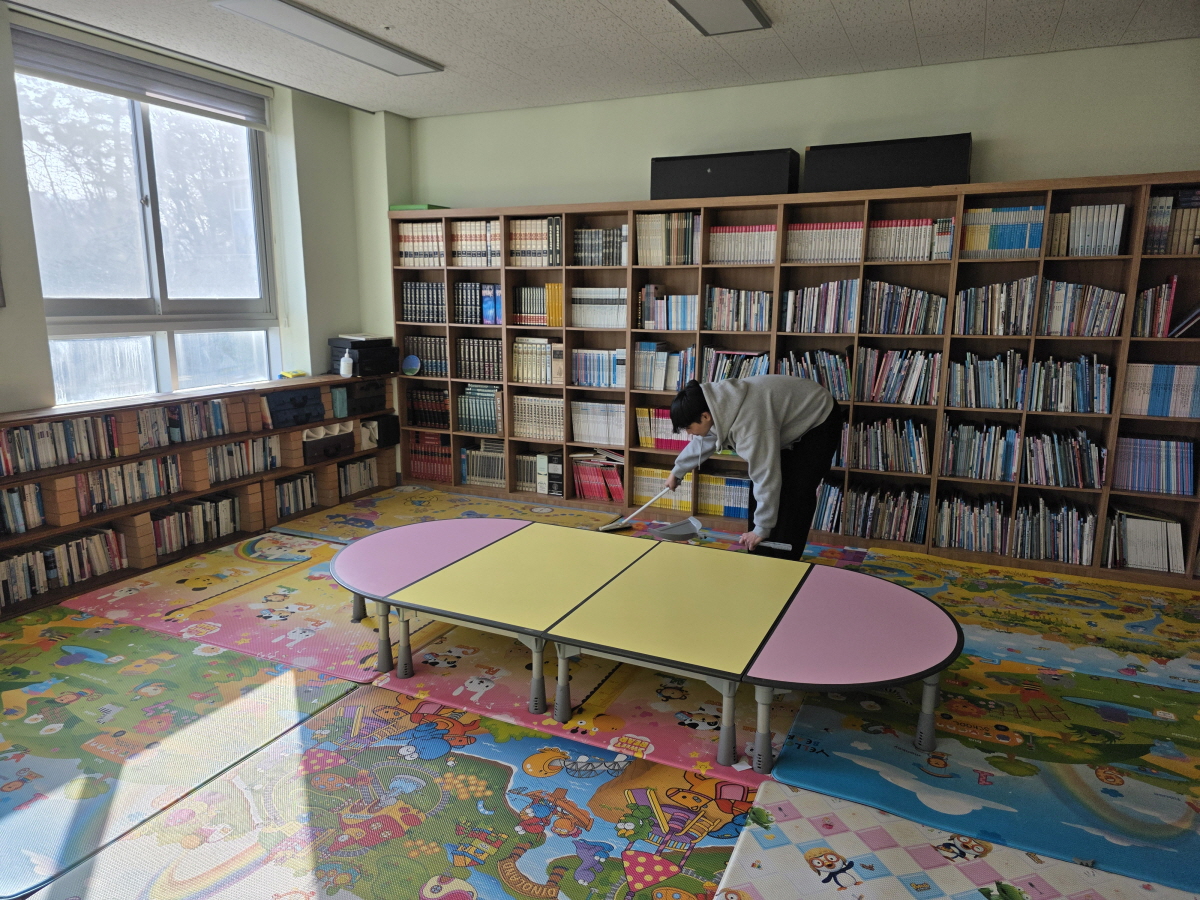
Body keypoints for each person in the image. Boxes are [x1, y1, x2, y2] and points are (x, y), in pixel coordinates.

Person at [666, 375, 843, 560]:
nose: (689, 433)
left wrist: (762, 528)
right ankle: (759, 554)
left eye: (688, 428)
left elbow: (766, 475)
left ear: (705, 416)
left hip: (818, 418)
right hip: (780, 418)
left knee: (796, 492)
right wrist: (677, 472)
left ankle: (785, 561)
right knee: (763, 494)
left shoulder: (749, 426)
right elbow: (706, 439)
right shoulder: (712, 404)